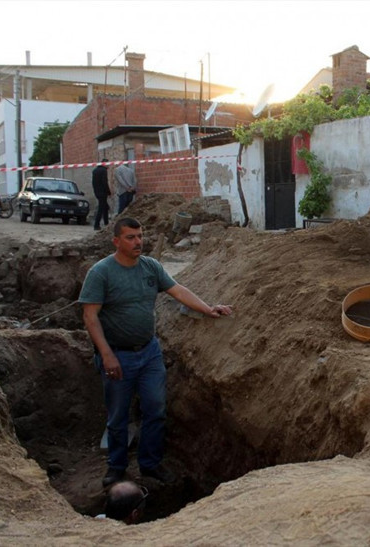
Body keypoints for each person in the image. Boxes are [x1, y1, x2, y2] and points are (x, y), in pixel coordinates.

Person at [79, 217, 233, 487]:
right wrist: (106, 354)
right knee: (118, 415)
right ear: (116, 241)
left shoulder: (150, 267)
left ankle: (150, 465)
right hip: (118, 355)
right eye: (130, 237)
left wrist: (207, 308)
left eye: (140, 236)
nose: (138, 241)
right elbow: (90, 317)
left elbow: (178, 290)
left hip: (149, 353)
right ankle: (116, 468)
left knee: (156, 409)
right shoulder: (101, 273)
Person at [92, 160, 111, 231]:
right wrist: (108, 192)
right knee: (101, 208)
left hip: (97, 192)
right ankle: (96, 225)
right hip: (103, 193)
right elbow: (104, 182)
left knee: (105, 207)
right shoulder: (103, 171)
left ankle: (106, 223)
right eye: (108, 164)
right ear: (104, 164)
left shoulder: (95, 170)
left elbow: (94, 183)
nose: (109, 166)